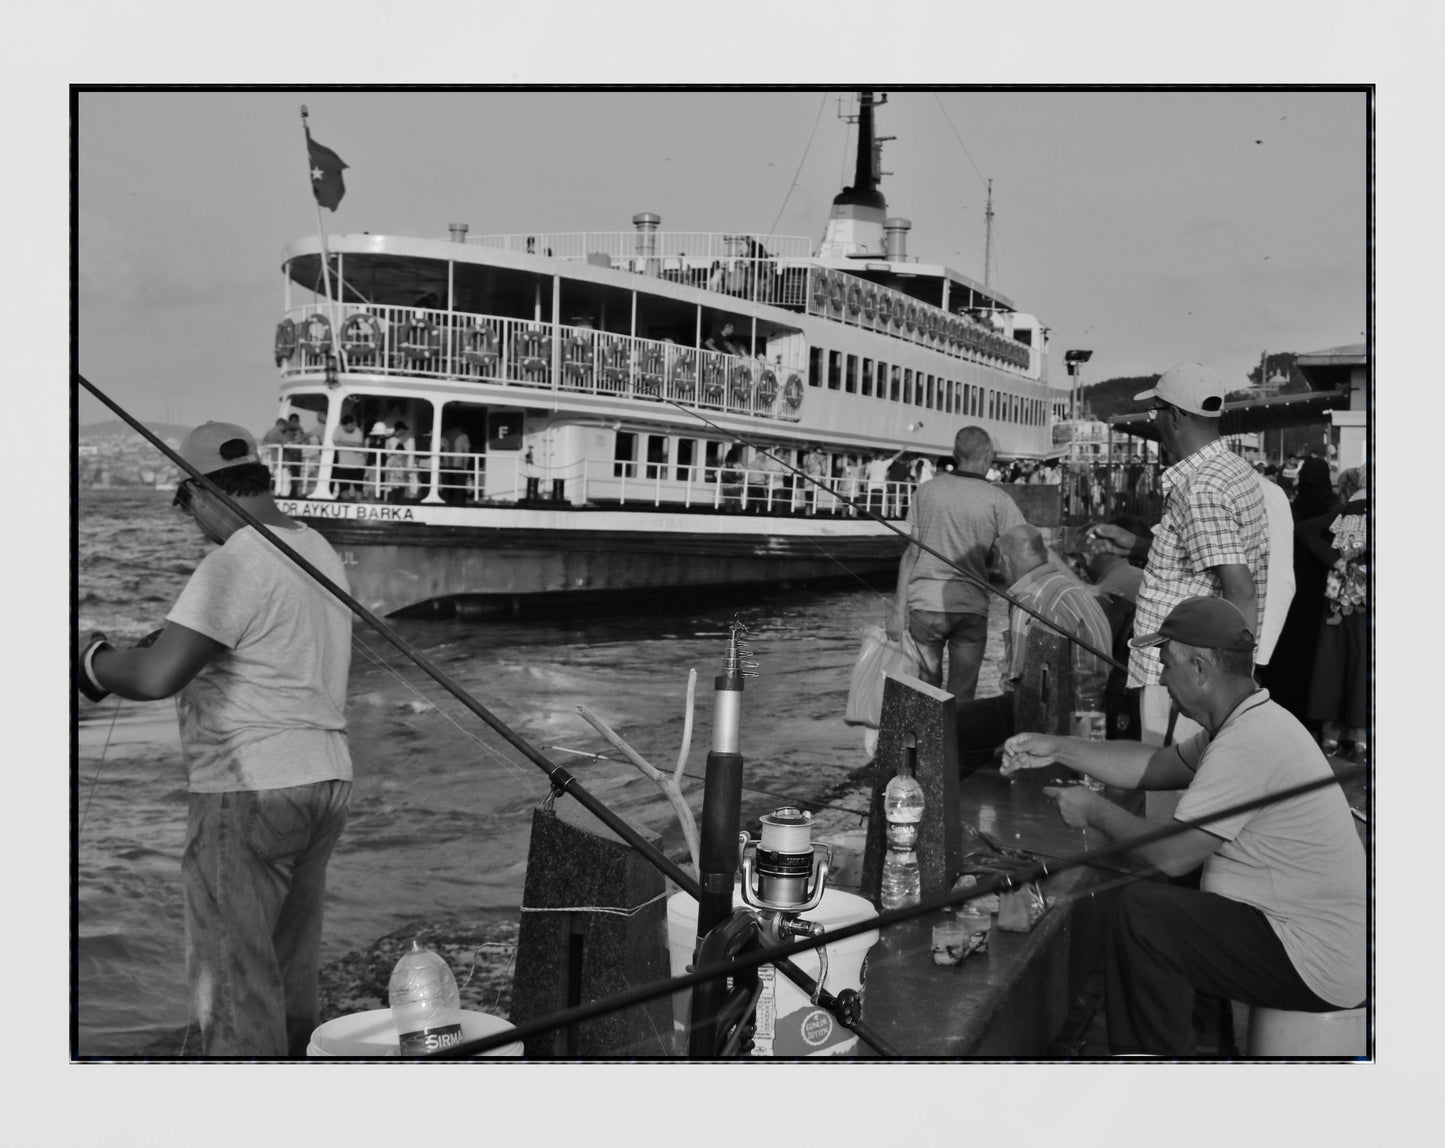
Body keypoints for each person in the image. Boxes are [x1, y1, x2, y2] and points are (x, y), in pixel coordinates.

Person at [76, 422, 354, 1057]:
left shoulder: (233, 560)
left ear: (197, 493)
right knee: (287, 973)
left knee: (232, 986)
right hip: (325, 782)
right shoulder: (316, 547)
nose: (196, 527)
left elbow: (154, 676)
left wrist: (91, 659)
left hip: (249, 788)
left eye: (189, 510)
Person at [1001, 597, 1365, 1056]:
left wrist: (1093, 810)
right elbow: (1154, 765)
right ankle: (1199, 1039)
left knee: (1144, 915)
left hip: (1312, 960)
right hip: (1297, 935)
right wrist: (1056, 747)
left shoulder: (1249, 742)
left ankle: (1156, 1080)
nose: (1160, 678)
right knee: (1174, 894)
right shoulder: (1244, 721)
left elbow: (1172, 855)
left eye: (1166, 664)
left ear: (1199, 668)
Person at [1086, 362, 1269, 752]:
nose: (1153, 421)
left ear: (1174, 416)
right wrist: (1135, 546)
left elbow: (1242, 591)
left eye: (1155, 411)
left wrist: (1234, 688)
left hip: (1185, 676)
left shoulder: (1201, 487)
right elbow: (1205, 558)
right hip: (1195, 673)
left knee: (1166, 786)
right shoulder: (1233, 470)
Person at [954, 524, 1113, 772]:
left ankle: (963, 804)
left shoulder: (1031, 599)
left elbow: (1028, 691)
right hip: (1093, 714)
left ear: (1005, 559)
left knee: (950, 722)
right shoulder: (1071, 589)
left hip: (1060, 718)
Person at [888, 426, 1025, 703]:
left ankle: (927, 743)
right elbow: (1025, 548)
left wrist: (897, 611)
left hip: (925, 606)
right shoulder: (998, 499)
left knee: (927, 689)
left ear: (954, 454)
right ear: (988, 455)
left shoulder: (926, 492)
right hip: (971, 607)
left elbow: (912, 555)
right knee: (962, 694)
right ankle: (956, 744)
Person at [1302, 464, 1369, 760]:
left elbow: (1303, 530)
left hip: (1338, 594)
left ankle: (1330, 734)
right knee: (1362, 661)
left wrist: (1335, 560)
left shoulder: (1348, 509)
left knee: (1333, 660)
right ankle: (1359, 736)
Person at [330, 413, 365, 501]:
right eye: (350, 425)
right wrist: (351, 445)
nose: (353, 426)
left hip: (358, 465)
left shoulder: (358, 431)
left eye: (353, 424)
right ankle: (347, 506)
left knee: (358, 488)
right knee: (343, 488)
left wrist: (343, 441)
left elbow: (357, 446)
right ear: (344, 425)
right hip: (343, 465)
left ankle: (357, 505)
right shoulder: (338, 429)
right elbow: (335, 443)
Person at [866, 448, 904, 515]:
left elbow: (866, 475)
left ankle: (871, 516)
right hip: (881, 488)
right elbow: (894, 458)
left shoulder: (869, 465)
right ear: (881, 456)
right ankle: (883, 517)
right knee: (884, 506)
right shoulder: (884, 464)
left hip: (871, 488)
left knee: (872, 505)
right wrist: (903, 450)